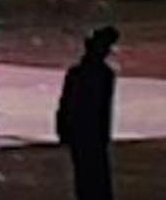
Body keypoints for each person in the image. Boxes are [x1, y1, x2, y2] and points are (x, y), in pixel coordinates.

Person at [56, 27, 121, 200]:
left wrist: (62, 128)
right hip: (92, 133)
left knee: (85, 176)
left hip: (81, 131)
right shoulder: (103, 74)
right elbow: (104, 109)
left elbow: (65, 103)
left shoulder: (77, 73)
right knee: (96, 177)